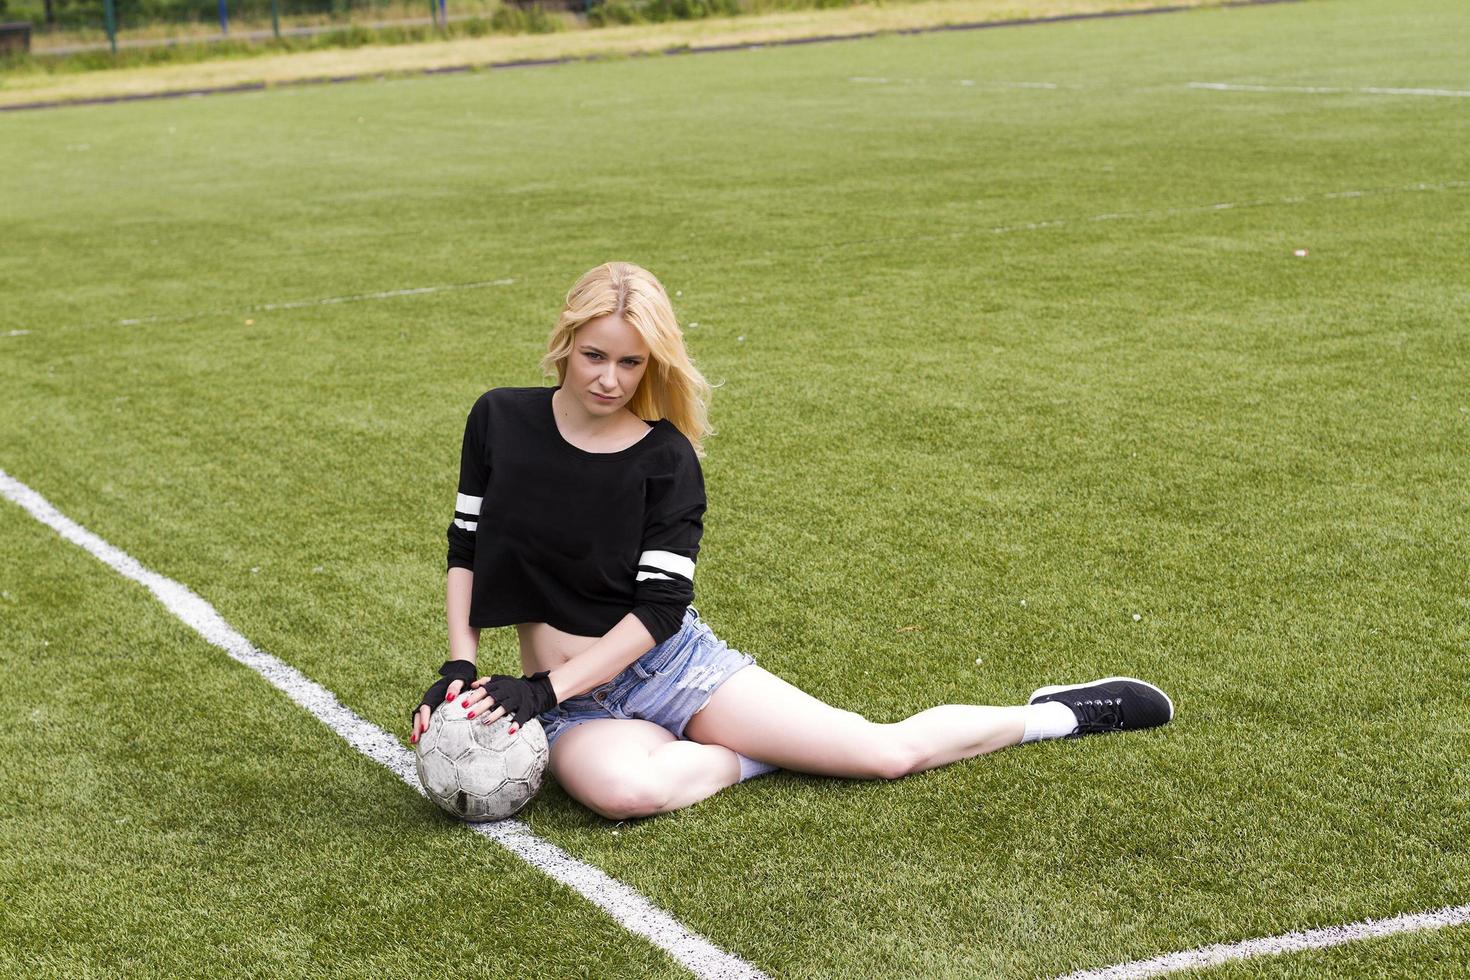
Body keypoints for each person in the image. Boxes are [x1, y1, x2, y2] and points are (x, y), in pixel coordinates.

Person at [411, 261, 1174, 821]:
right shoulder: (499, 420)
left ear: (654, 363)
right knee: (622, 794)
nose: (609, 378)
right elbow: (467, 545)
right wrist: (461, 663)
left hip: (669, 670)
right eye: (594, 355)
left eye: (631, 362)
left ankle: (1058, 714)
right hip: (574, 708)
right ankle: (755, 754)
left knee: (882, 755)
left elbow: (661, 610)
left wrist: (539, 691)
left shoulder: (665, 458)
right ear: (565, 341)